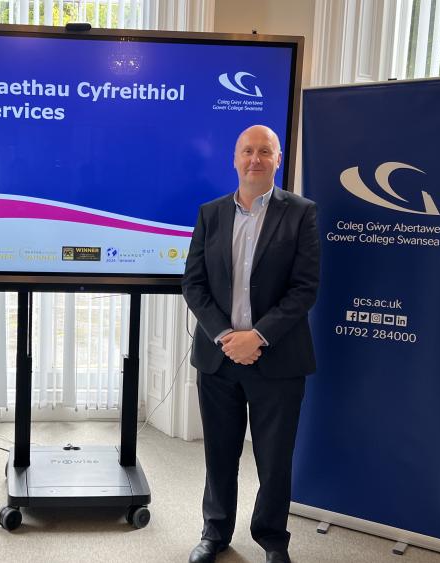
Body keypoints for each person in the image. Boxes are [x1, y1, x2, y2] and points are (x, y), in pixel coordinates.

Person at [181, 125, 320, 563]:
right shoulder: (211, 214)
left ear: (277, 159)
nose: (254, 159)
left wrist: (257, 337)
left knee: (275, 460)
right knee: (219, 455)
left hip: (278, 359)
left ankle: (273, 539)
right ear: (235, 159)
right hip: (219, 359)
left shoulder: (301, 213)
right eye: (247, 151)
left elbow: (304, 288)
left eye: (264, 151)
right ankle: (215, 533)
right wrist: (226, 336)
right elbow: (193, 283)